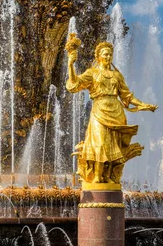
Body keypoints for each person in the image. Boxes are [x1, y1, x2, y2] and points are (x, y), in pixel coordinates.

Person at [66, 41, 157, 184]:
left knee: (112, 145)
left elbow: (127, 96)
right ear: (98, 56)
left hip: (116, 111)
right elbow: (75, 84)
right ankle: (96, 176)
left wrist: (143, 105)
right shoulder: (92, 73)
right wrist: (70, 64)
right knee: (100, 143)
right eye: (105, 54)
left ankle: (107, 176)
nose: (108, 57)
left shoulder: (117, 75)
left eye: (110, 54)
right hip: (99, 109)